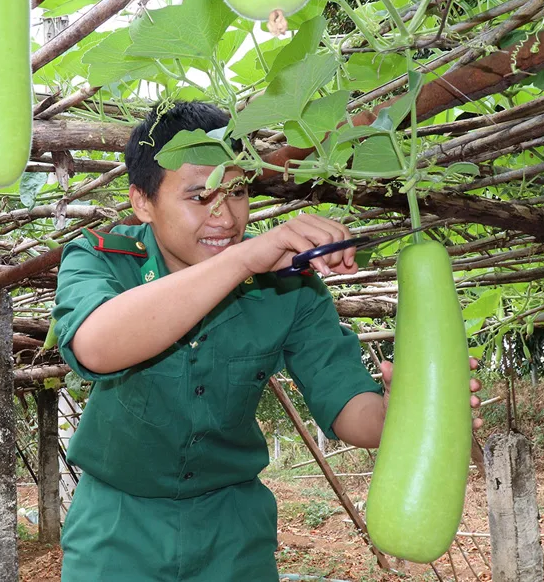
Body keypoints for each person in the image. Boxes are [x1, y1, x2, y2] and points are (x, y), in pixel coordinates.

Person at [53, 100, 482, 581]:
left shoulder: (290, 286)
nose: (225, 218)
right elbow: (95, 346)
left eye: (237, 192)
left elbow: (347, 409)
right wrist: (241, 261)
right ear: (142, 202)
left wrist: (403, 410)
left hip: (233, 530)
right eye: (200, 197)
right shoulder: (100, 258)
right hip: (116, 525)